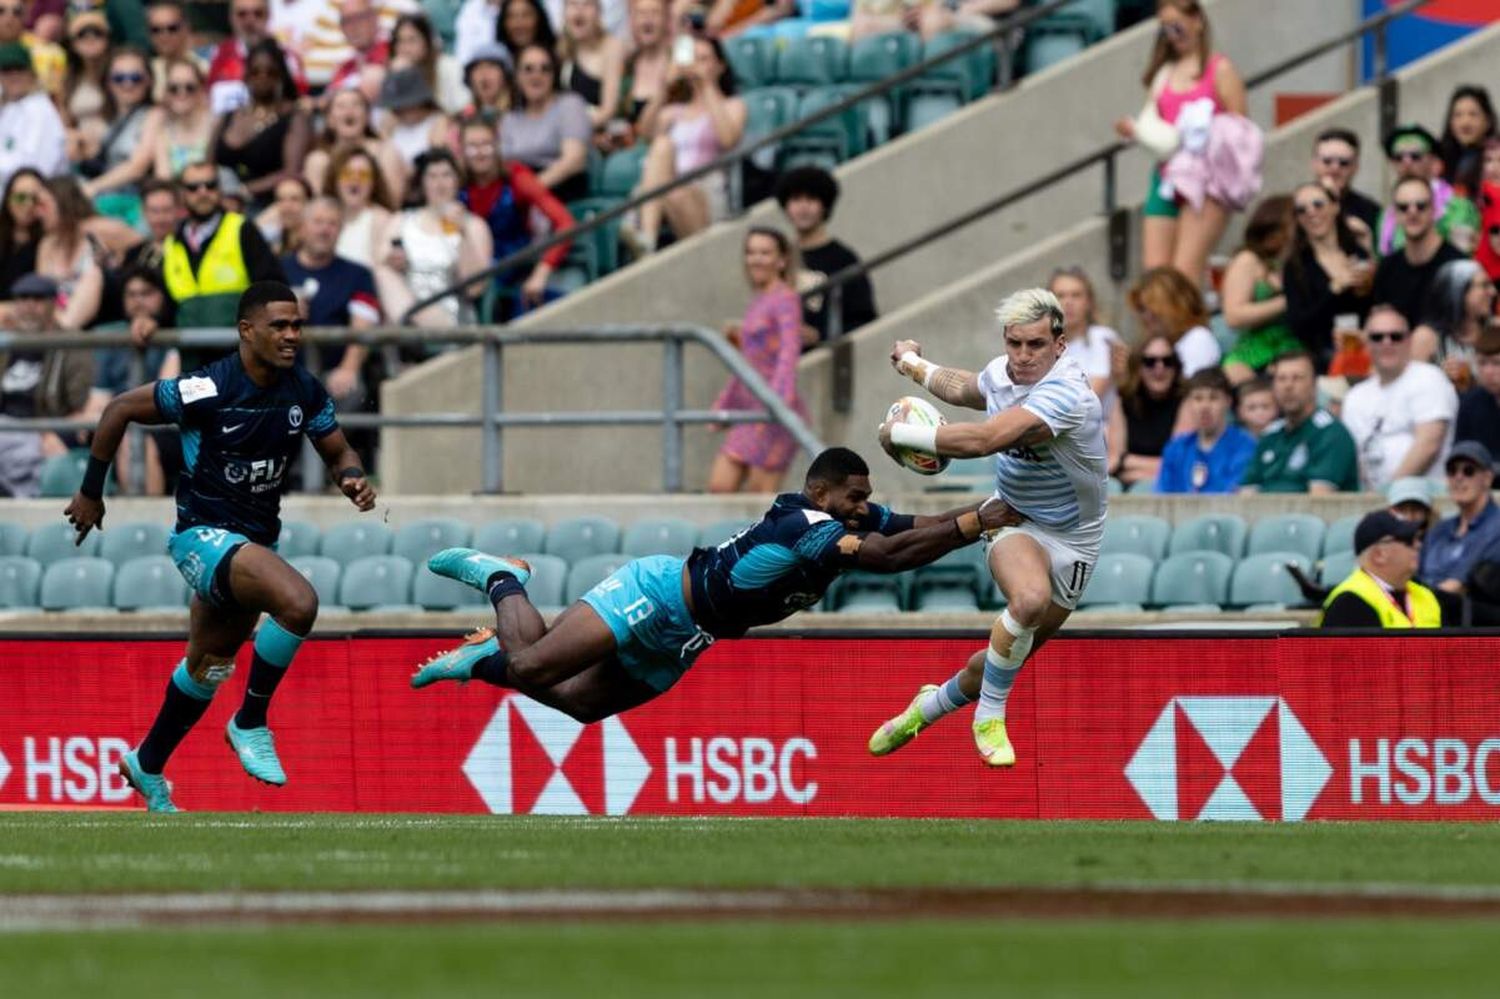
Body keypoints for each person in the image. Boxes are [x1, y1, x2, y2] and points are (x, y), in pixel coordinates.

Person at [412, 448, 1015, 725]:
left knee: (582, 706)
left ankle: (483, 662)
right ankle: (503, 579)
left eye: (867, 497)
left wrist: (990, 510)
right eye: (856, 497)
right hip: (659, 592)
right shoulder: (802, 522)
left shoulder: (846, 516)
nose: (866, 507)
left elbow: (914, 528)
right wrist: (975, 526)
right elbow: (888, 558)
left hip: (690, 635)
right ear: (821, 493)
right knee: (537, 668)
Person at [63, 281, 375, 812]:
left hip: (254, 540)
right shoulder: (205, 389)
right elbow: (117, 409)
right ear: (246, 331)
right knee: (299, 602)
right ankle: (251, 721)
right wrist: (92, 491)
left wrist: (352, 477)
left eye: (296, 324)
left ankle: (147, 763)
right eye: (278, 325)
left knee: (207, 666)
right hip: (202, 537)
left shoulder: (303, 389)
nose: (291, 334)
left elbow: (338, 448)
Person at [869, 289, 1107, 767]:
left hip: (1077, 539)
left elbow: (984, 439)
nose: (1022, 356)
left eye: (1035, 345)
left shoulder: (1067, 393)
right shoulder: (1004, 371)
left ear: (1059, 345)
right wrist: (913, 364)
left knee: (999, 661)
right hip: (1012, 516)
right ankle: (990, 717)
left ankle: (928, 707)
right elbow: (965, 388)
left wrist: (899, 434)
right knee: (1029, 600)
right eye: (1014, 344)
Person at [1113, 0, 1246, 286]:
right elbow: (1155, 126)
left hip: (1206, 180)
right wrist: (1135, 130)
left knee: (1185, 274)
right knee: (1156, 277)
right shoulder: (1164, 72)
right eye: (1165, 29)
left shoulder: (1219, 69)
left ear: (1197, 20)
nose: (1172, 34)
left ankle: (1193, 332)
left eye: (1177, 25)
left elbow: (1240, 131)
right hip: (1167, 177)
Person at [627, 35, 744, 254]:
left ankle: (646, 236)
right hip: (667, 188)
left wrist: (707, 86)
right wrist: (665, 87)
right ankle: (647, 238)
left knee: (676, 193)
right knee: (662, 146)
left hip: (705, 186)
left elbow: (728, 139)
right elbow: (643, 132)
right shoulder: (674, 112)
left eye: (704, 59)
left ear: (720, 66)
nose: (696, 65)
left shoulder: (732, 106)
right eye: (693, 59)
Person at [708, 226, 803, 493]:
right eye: (751, 252)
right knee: (719, 488)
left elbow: (788, 352)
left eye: (765, 252)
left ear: (781, 260)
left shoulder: (785, 298)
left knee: (759, 502)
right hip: (750, 410)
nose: (756, 259)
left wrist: (776, 403)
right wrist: (724, 404)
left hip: (773, 410)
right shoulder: (760, 299)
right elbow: (747, 364)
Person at [158, 160, 286, 346]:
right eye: (193, 187)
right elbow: (166, 307)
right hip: (192, 359)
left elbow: (272, 288)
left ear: (220, 189)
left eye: (210, 185)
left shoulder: (242, 229)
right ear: (181, 194)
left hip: (239, 355)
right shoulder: (171, 244)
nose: (203, 192)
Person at [458, 114, 573, 319]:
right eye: (472, 146)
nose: (479, 153)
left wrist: (541, 273)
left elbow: (565, 222)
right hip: (469, 269)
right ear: (462, 150)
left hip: (515, 270)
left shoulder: (517, 178)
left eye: (486, 144)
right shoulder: (457, 184)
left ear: (497, 144)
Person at [1340, 306, 1457, 491]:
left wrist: (1388, 494)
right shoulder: (1355, 396)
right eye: (1377, 337)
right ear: (1366, 343)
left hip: (1424, 498)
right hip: (1370, 499)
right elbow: (1354, 456)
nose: (1387, 343)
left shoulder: (1429, 378)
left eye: (1396, 336)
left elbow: (1428, 446)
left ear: (1409, 340)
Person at [373, 146, 492, 327]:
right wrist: (391, 260)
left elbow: (474, 288)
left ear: (457, 181)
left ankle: (419, 329)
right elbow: (380, 265)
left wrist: (463, 236)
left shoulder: (474, 226)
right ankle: (411, 327)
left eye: (446, 175)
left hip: (451, 313)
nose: (440, 183)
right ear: (422, 183)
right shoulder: (401, 221)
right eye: (432, 176)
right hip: (404, 305)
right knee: (382, 272)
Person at [282, 197, 379, 412]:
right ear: (303, 227)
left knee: (352, 391)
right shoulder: (277, 270)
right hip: (281, 373)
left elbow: (363, 326)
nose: (324, 230)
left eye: (332, 223)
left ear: (340, 230)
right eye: (317, 222)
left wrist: (348, 368)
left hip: (333, 373)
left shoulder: (358, 274)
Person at [0, 273, 93, 497]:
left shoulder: (71, 343)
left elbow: (77, 404)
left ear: (53, 303)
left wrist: (52, 430)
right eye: (22, 299)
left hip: (42, 429)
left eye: (37, 299)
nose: (28, 306)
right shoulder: (6, 343)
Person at [776, 166, 877, 348]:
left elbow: (865, 319)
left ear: (825, 206)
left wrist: (820, 336)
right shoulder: (779, 257)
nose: (803, 207)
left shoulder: (843, 259)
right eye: (796, 199)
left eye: (812, 199)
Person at [212, 39, 312, 210]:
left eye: (270, 72)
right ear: (246, 74)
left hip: (268, 204)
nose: (262, 77)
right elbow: (209, 161)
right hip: (221, 200)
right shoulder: (229, 115)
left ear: (281, 74)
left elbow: (291, 171)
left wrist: (243, 191)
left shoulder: (293, 117)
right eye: (255, 72)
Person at [1239, 350, 1358, 494]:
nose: (1288, 386)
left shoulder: (1331, 433)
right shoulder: (1270, 435)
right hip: (1264, 514)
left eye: (1297, 378)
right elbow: (1246, 495)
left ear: (1314, 385)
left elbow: (1320, 501)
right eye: (1281, 379)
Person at [1283, 180, 1374, 368]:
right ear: (1297, 218)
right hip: (1323, 354)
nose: (1311, 213)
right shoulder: (1295, 266)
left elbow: (1377, 307)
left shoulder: (1357, 254)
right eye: (1302, 210)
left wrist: (1370, 285)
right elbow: (1299, 326)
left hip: (1364, 346)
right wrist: (1334, 289)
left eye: (1318, 204)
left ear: (1335, 207)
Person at [1220, 195, 1299, 384]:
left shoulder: (1295, 262)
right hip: (1255, 354)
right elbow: (1234, 315)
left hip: (1293, 351)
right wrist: (1286, 302)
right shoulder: (1248, 260)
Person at [500, 44, 592, 203]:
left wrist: (531, 189)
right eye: (528, 69)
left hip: (559, 190)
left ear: (554, 74)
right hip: (518, 191)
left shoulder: (570, 104)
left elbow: (574, 160)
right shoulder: (510, 118)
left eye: (545, 69)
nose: (536, 75)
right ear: (517, 76)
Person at [78, 47, 161, 224]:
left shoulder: (154, 114)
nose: (127, 84)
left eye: (135, 78)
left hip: (134, 203)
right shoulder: (108, 118)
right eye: (119, 78)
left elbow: (138, 165)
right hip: (105, 199)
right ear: (108, 83)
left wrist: (92, 187)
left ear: (149, 81)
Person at [1372, 177, 1467, 330]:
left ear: (1434, 210)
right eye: (1404, 207)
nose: (1412, 212)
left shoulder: (1457, 266)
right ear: (1394, 214)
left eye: (1421, 206)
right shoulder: (1387, 268)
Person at [1318, 511, 1439, 629]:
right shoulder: (1349, 603)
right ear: (1379, 555)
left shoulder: (1426, 595)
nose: (1418, 545)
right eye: (1408, 540)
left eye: (1419, 538)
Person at [1375, 125, 1479, 256]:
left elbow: (1460, 256)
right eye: (1398, 157)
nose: (1406, 162)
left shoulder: (1458, 206)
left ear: (1435, 163)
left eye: (1415, 156)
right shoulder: (1387, 215)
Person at [1155, 366, 1254, 493]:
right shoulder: (1176, 448)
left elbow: (1234, 495)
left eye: (1213, 398)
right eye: (1198, 398)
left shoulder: (1244, 446)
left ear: (1228, 402)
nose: (1204, 407)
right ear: (1189, 403)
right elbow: (1162, 495)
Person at [1419, 442, 1500, 595]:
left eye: (1468, 471)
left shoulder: (1497, 527)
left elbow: (1461, 585)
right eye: (1452, 471)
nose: (1459, 477)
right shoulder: (1438, 531)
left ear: (1488, 478)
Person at [303, 88, 405, 208]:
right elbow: (318, 207)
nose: (349, 111)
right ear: (329, 120)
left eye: (356, 105)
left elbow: (394, 202)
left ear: (367, 117)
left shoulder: (386, 152)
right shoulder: (318, 159)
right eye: (341, 106)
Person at [1107, 334, 1186, 489]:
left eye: (1167, 361)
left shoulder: (1186, 401)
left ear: (1176, 367)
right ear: (1139, 368)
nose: (1159, 368)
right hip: (1129, 485)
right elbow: (1114, 461)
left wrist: (1128, 462)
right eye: (1150, 362)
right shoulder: (1122, 400)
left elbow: (1179, 464)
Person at [1413, 259, 1495, 389]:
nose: (1493, 292)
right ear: (1459, 291)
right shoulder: (1427, 337)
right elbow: (1411, 388)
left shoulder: (1495, 330)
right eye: (1484, 285)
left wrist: (1473, 380)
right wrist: (1439, 378)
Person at [1047, 267, 1120, 411]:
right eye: (1060, 296)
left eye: (1076, 295)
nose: (1068, 302)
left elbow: (1090, 397)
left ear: (1089, 302)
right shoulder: (1043, 346)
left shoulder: (1103, 338)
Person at [1127, 266, 1220, 375]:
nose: (1147, 317)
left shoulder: (1198, 338)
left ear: (1178, 306)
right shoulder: (1163, 344)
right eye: (1142, 309)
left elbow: (1191, 388)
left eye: (1154, 309)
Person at [0, 40, 66, 184]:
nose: (13, 75)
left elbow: (37, 169)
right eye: (6, 70)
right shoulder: (8, 108)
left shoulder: (40, 110)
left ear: (31, 72)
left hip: (39, 193)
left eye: (19, 69)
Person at [324, 144, 395, 270]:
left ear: (374, 183)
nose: (355, 179)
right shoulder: (323, 215)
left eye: (363, 175)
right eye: (347, 173)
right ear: (335, 179)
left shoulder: (381, 219)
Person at [559, 0, 624, 137]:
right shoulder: (560, 48)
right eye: (573, 5)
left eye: (587, 4)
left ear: (599, 12)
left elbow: (608, 110)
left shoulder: (611, 47)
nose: (579, 11)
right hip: (562, 133)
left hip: (596, 134)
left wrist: (572, 130)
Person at [58, 6, 109, 163]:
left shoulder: (119, 73)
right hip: (80, 155)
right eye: (82, 34)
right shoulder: (68, 79)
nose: (90, 38)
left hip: (114, 148)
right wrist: (74, 136)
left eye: (96, 32)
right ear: (72, 43)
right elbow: (65, 123)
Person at [390, 12, 467, 115]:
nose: (405, 49)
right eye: (400, 41)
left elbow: (464, 109)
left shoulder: (449, 66)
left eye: (412, 40)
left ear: (426, 43)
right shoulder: (395, 70)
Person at [377, 65, 448, 174]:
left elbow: (436, 160)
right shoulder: (390, 123)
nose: (400, 110)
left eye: (405, 106)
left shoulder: (438, 121)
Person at [153, 58, 214, 182]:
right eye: (174, 88)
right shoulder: (162, 131)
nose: (182, 93)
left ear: (201, 90)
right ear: (166, 92)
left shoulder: (215, 124)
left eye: (189, 87)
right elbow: (164, 179)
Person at [1312, 126, 1379, 236]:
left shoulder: (1371, 211)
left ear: (1355, 167)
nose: (1335, 168)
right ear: (1314, 163)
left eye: (1343, 163)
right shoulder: (1293, 207)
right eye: (1327, 161)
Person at [1437, 85, 1496, 199]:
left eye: (1473, 114)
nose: (1465, 123)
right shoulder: (1439, 160)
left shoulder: (1495, 159)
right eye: (1458, 115)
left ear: (1488, 121)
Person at [327, 0, 390, 105]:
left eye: (359, 18)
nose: (353, 27)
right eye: (347, 21)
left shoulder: (393, 52)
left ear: (374, 19)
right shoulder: (344, 66)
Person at [0, 1, 64, 98]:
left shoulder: (50, 53)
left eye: (17, 11)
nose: (9, 17)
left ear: (26, 16)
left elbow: (56, 98)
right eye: (1, 11)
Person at [145, 2, 206, 103]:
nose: (164, 36)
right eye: (156, 30)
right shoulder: (145, 73)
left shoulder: (204, 69)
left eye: (172, 28)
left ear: (186, 28)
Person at [0, 166, 42, 309]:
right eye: (20, 197)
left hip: (27, 318)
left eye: (35, 199)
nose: (28, 204)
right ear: (8, 199)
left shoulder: (49, 240)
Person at [1455, 330, 1500, 457]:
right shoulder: (1470, 404)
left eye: (1497, 363)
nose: (1488, 372)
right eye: (1482, 363)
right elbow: (1462, 454)